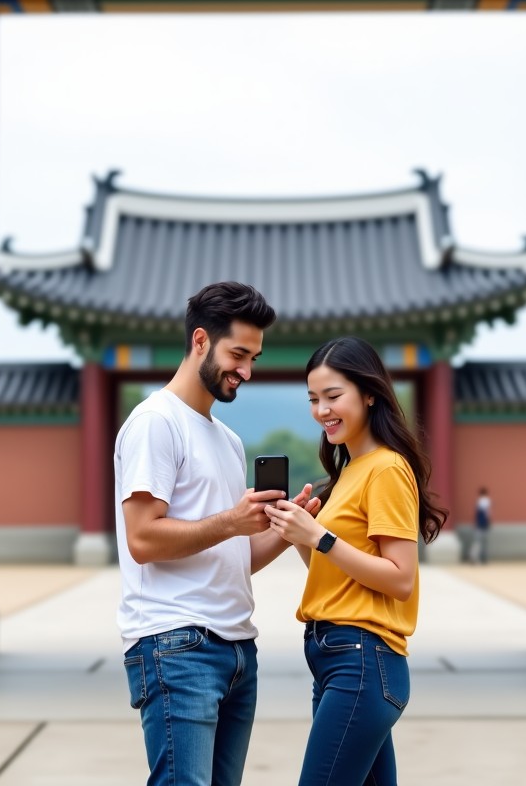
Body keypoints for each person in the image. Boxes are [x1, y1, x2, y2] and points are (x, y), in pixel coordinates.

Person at [114, 281, 321, 786]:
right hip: (175, 644)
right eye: (239, 354)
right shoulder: (155, 423)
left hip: (237, 650)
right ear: (201, 341)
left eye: (254, 358)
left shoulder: (228, 440)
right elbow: (143, 539)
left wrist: (288, 528)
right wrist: (231, 520)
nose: (247, 371)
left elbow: (235, 556)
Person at [265, 336, 447, 786]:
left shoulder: (386, 468)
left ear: (369, 393)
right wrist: (301, 537)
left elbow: (401, 579)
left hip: (362, 660)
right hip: (334, 659)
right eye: (313, 399)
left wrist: (322, 537)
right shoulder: (347, 471)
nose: (322, 410)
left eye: (333, 396)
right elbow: (339, 576)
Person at [473, 486, 492, 565]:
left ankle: (476, 558)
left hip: (479, 524)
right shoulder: (486, 501)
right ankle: (482, 558)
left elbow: (478, 514)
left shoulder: (479, 501)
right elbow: (487, 514)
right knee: (483, 543)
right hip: (484, 523)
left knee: (478, 542)